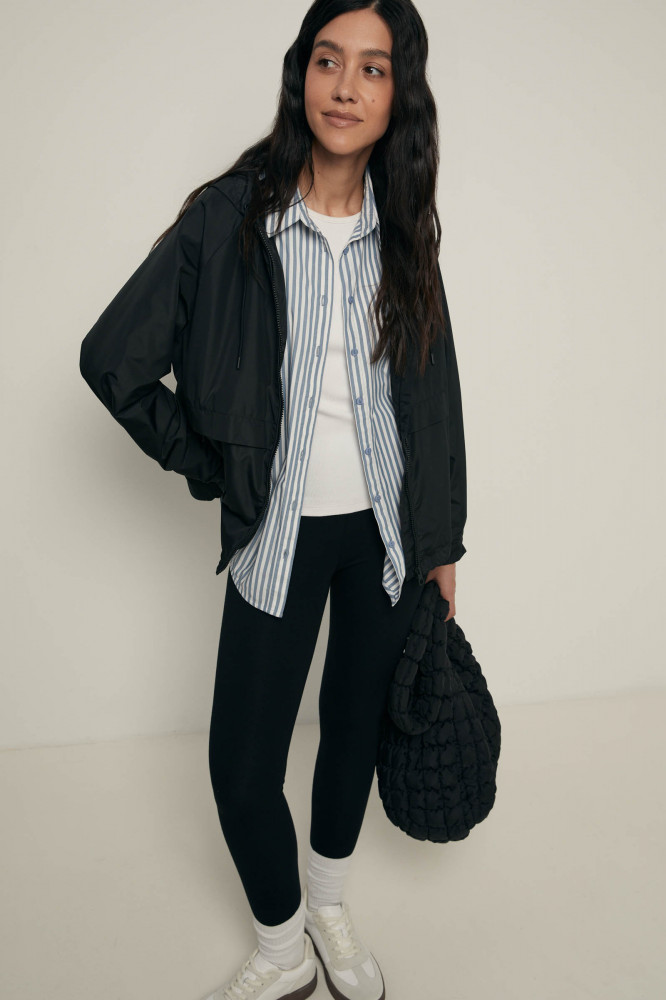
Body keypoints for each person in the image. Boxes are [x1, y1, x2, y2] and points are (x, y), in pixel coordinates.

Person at [79, 2, 468, 998]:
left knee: (353, 729)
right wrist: (213, 465)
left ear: (399, 95)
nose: (346, 86)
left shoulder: (403, 228)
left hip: (386, 534)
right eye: (329, 60)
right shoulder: (229, 218)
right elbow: (113, 359)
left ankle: (328, 906)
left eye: (373, 69)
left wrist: (441, 542)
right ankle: (283, 940)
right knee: (243, 766)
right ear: (302, 74)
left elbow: (434, 392)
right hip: (278, 530)